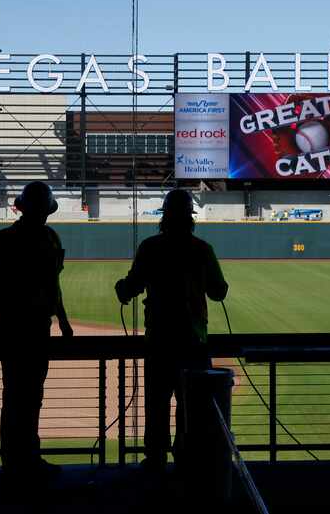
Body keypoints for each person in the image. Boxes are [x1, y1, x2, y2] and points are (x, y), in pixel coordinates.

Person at [114, 189, 229, 473]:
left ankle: (155, 459)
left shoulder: (150, 247)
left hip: (159, 339)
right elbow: (219, 292)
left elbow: (132, 285)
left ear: (164, 217)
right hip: (193, 340)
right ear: (190, 218)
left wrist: (122, 289)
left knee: (157, 402)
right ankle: (187, 459)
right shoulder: (202, 249)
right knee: (192, 405)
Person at [0, 181, 74, 488]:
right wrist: (63, 321)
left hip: (16, 327)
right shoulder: (49, 238)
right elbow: (52, 287)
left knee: (20, 397)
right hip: (32, 328)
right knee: (27, 397)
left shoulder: (6, 238)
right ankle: (24, 461)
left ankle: (17, 463)